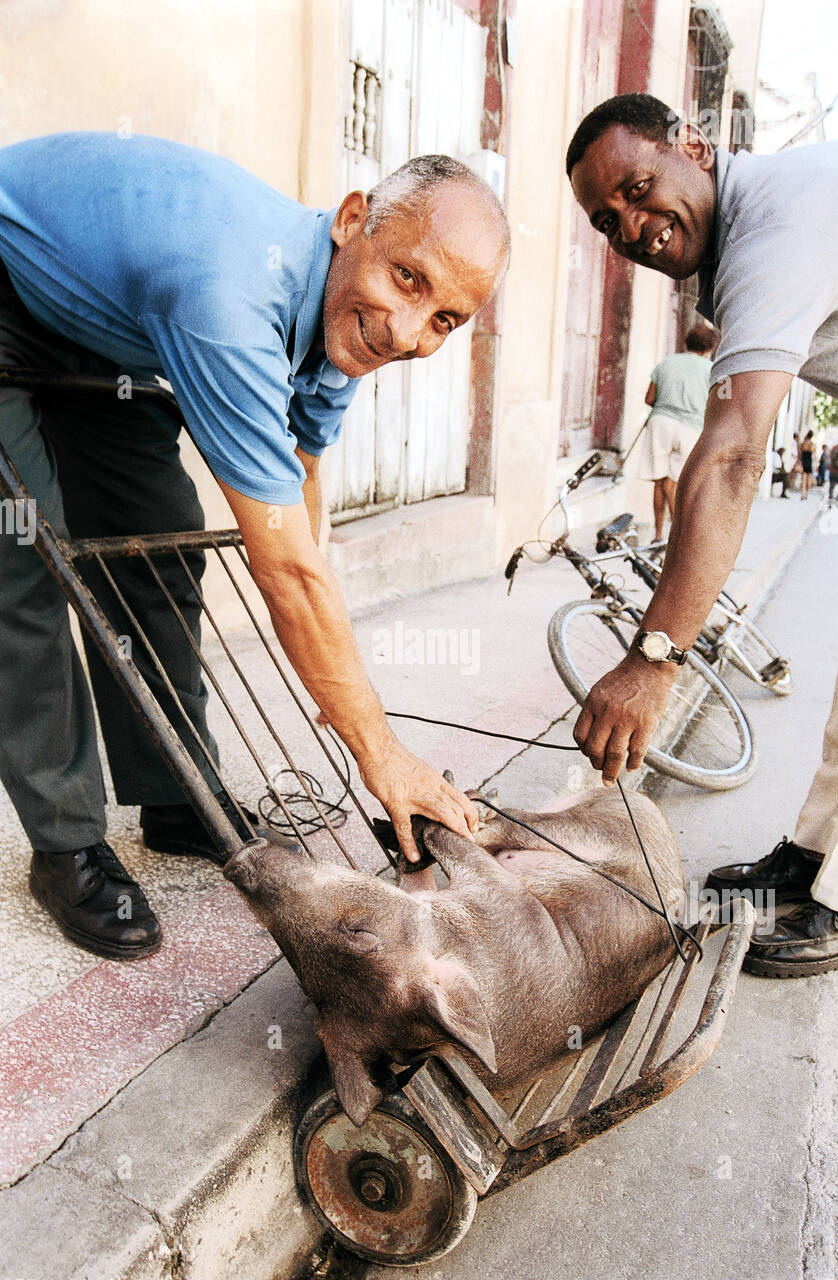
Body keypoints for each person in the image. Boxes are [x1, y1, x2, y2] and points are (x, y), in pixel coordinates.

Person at [0, 134, 509, 961]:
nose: (406, 331)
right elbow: (286, 569)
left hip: (102, 335)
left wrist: (329, 650)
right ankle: (65, 848)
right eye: (407, 278)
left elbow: (300, 500)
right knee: (24, 561)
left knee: (159, 548)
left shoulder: (348, 321)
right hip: (8, 284)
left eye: (444, 319)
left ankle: (175, 797)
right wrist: (376, 750)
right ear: (352, 222)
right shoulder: (232, 294)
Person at [566, 92, 838, 976]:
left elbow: (730, 457)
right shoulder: (734, 242)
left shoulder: (773, 230)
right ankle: (812, 861)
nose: (635, 227)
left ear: (693, 142)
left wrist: (654, 661)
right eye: (607, 221)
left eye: (641, 190)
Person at [639, 320, 717, 540]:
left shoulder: (666, 363)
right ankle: (677, 535)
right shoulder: (710, 370)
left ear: (687, 342)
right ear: (709, 348)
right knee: (674, 482)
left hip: (661, 422)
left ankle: (658, 533)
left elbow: (649, 398)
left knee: (659, 481)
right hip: (690, 428)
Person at [798, 428, 816, 500]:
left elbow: (800, 454)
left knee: (804, 479)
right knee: (809, 479)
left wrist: (800, 461)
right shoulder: (812, 444)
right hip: (809, 461)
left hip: (803, 461)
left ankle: (802, 494)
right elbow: (814, 454)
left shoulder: (803, 443)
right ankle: (806, 494)